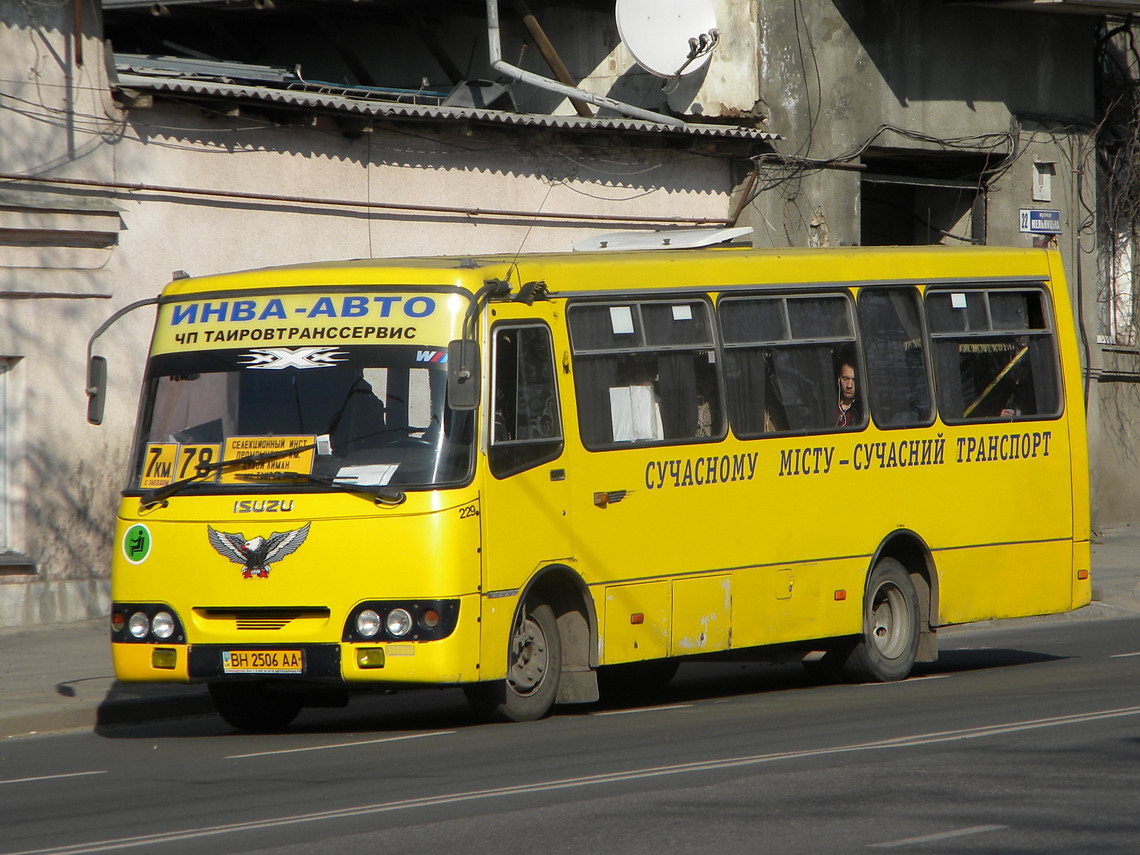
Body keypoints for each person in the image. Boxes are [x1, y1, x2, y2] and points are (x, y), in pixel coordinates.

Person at [836, 359, 860, 427]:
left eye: (854, 380)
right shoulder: (829, 407)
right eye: (845, 379)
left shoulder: (862, 411)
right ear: (839, 379)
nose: (849, 385)